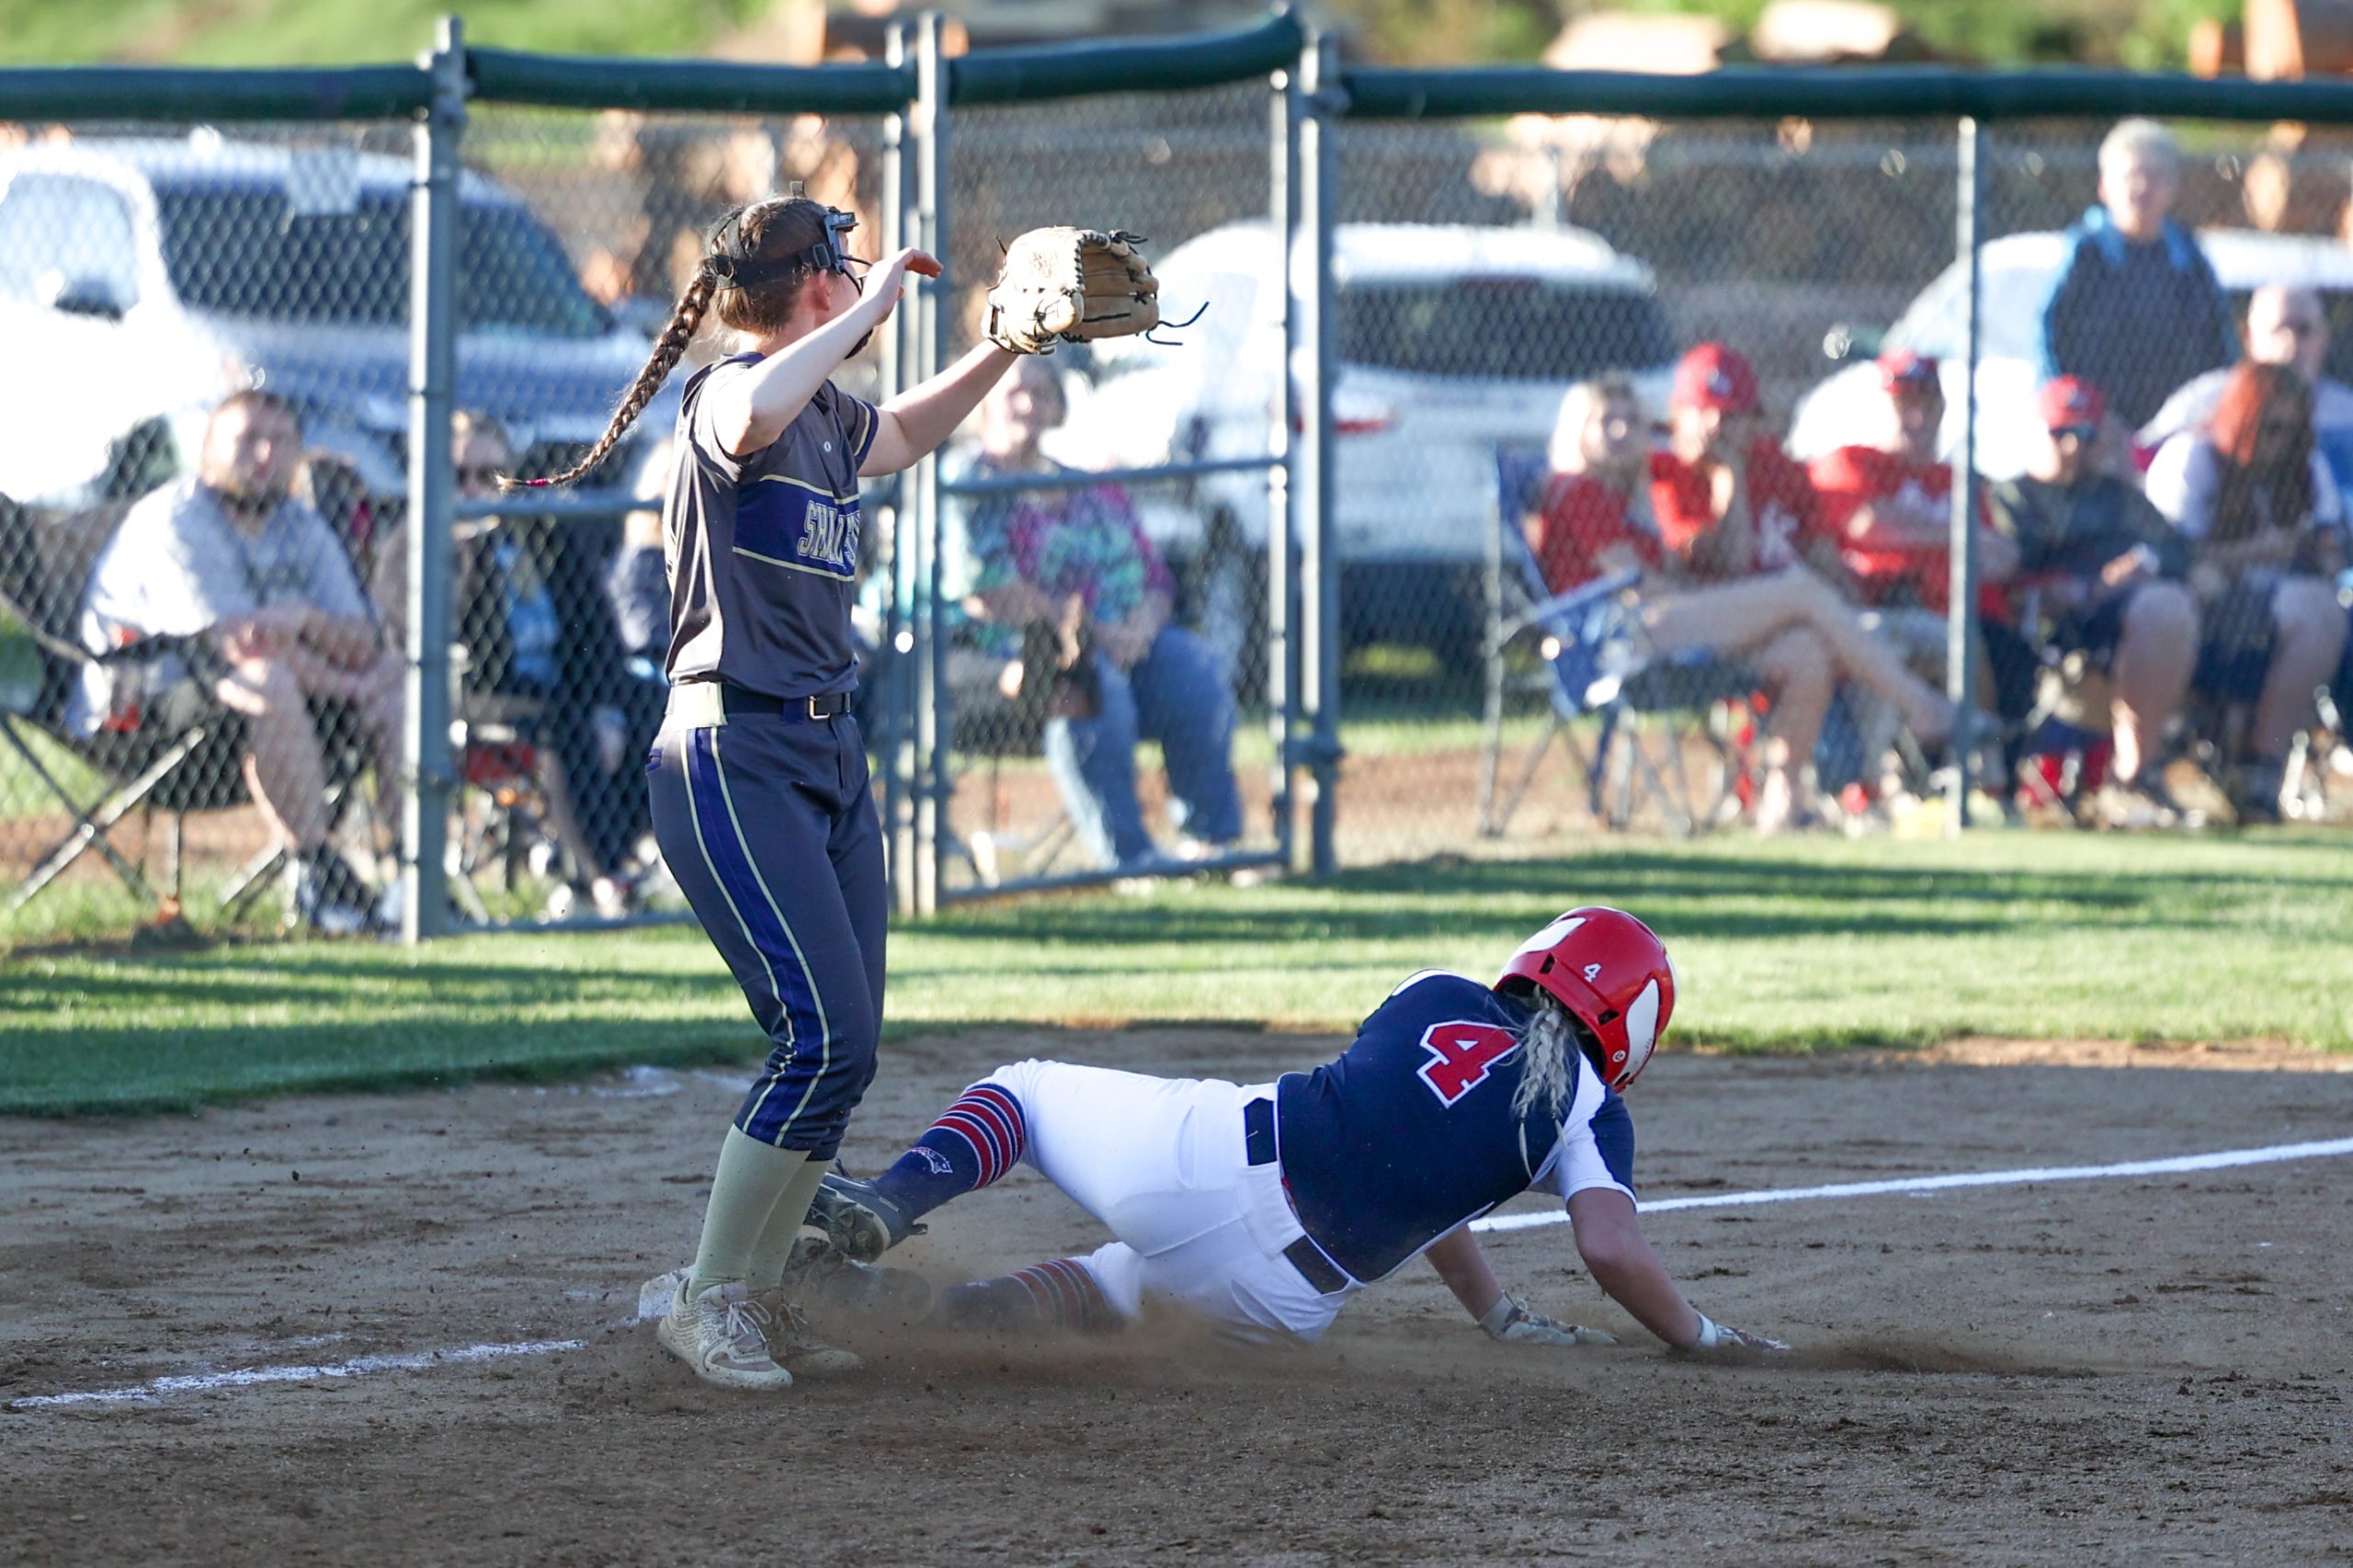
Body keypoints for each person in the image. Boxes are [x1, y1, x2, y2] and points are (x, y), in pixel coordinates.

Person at [525, 195, 1026, 1391]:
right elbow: (751, 408)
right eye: (844, 266)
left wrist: (1006, 345)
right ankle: (711, 1299)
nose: (860, 276)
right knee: (819, 1035)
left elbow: (904, 431)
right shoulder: (726, 397)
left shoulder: (829, 415)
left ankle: (758, 1289)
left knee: (844, 1048)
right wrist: (874, 308)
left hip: (827, 755)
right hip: (731, 753)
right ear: (813, 284)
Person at [809, 907, 1784, 1357]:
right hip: (1277, 1306)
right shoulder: (1590, 1108)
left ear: (1534, 959)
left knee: (1020, 1095)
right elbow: (1593, 1239)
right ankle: (921, 1320)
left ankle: (889, 1203)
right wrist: (1699, 1336)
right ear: (1631, 1024)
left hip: (1212, 1163)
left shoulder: (1437, 990)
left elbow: (1398, 1127)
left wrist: (1496, 1312)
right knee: (1115, 1284)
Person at [1531, 374, 1954, 833]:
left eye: (1632, 420)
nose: (1622, 431)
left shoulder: (1621, 496)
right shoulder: (1579, 490)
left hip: (1653, 628)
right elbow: (1640, 588)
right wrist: (1721, 600)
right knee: (1798, 591)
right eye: (1606, 421)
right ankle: (1920, 704)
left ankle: (1783, 802)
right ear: (1577, 430)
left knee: (1805, 653)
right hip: (1613, 640)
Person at [74, 390, 403, 934]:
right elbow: (237, 646)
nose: (266, 454)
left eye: (280, 441)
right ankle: (318, 873)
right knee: (265, 680)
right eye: (248, 440)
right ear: (207, 452)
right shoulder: (177, 519)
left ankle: (412, 879)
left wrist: (304, 619)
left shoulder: (301, 524)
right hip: (144, 713)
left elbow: (362, 643)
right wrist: (348, 685)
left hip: (277, 713)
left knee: (394, 684)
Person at [946, 357, 1244, 870]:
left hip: (1121, 642)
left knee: (1194, 672)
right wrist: (1095, 633)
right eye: (1015, 392)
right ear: (985, 403)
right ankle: (1132, 860)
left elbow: (1153, 579)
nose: (1029, 404)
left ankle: (1212, 846)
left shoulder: (1090, 486)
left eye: (1042, 392)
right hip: (1009, 657)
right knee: (1093, 688)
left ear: (1058, 406)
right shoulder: (968, 481)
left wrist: (1141, 626)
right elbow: (986, 592)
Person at [1985, 378, 2201, 827]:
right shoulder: (2010, 496)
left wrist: (2145, 564)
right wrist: (2088, 585)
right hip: (2047, 630)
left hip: (2126, 619)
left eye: (2085, 434)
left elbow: (2178, 554)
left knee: (2168, 605)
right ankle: (2120, 779)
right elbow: (2007, 571)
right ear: (2034, 433)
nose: (2073, 447)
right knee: (2160, 607)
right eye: (2060, 433)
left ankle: (2133, 776)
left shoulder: (2117, 497)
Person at [2143, 362, 2350, 821]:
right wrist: (2253, 552)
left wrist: (2323, 555)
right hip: (2203, 610)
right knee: (2302, 606)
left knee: (2322, 610)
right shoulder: (2194, 457)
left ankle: (2263, 770)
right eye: (2271, 427)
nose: (2281, 442)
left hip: (2278, 613)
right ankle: (2148, 771)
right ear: (2243, 416)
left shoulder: (2305, 467)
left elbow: (2330, 545)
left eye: (2293, 430)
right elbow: (2167, 557)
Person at [2039, 118, 2236, 432]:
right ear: (2104, 187)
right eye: (2132, 175)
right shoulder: (2084, 256)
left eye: (2156, 175)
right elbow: (2049, 342)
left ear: (2173, 187)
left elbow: (2220, 345)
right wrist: (2080, 415)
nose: (2143, 187)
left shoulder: (2190, 260)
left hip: (2180, 429)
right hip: (2094, 432)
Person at [1649, 343, 1843, 586]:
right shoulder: (1664, 475)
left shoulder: (1778, 468)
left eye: (1729, 415)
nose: (1715, 424)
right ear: (1677, 414)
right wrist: (1728, 475)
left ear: (1753, 421)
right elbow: (1730, 568)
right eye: (1702, 410)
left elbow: (1824, 556)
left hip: (1788, 597)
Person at [2138, 285, 2353, 482]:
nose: (2291, 343)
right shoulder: (2206, 401)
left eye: (2304, 330)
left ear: (2324, 337)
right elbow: (2140, 457)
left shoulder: (2346, 413)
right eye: (2279, 329)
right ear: (2249, 337)